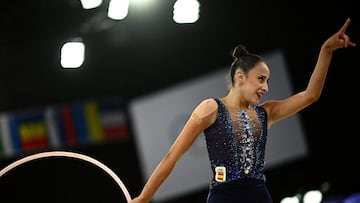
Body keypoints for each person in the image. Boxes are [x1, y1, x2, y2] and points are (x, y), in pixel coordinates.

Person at [129, 18, 356, 203]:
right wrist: (143, 198)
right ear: (240, 77)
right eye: (260, 79)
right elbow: (172, 156)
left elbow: (310, 95)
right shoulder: (211, 108)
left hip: (259, 196)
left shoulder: (266, 113)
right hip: (223, 197)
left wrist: (326, 51)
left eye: (267, 81)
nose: (265, 87)